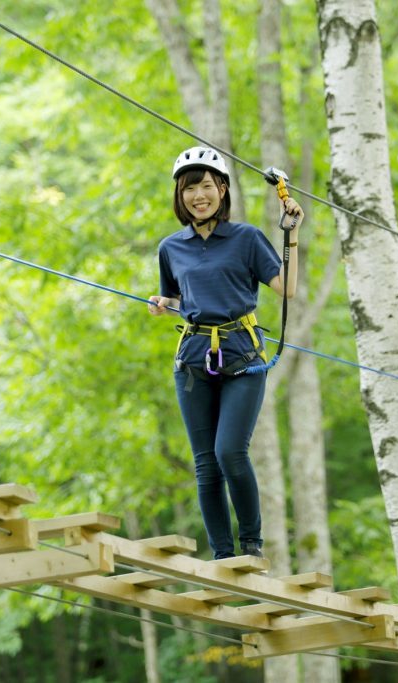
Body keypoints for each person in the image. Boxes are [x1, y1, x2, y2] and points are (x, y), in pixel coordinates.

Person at [148, 146, 303, 560]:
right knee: (205, 464)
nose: (198, 196)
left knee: (229, 451)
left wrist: (294, 234)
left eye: (205, 186)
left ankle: (250, 544)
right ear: (180, 197)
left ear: (221, 189)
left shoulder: (246, 238)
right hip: (193, 359)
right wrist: (162, 304)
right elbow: (178, 297)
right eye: (189, 189)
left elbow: (286, 289)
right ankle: (222, 553)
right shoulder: (170, 248)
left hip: (242, 355)